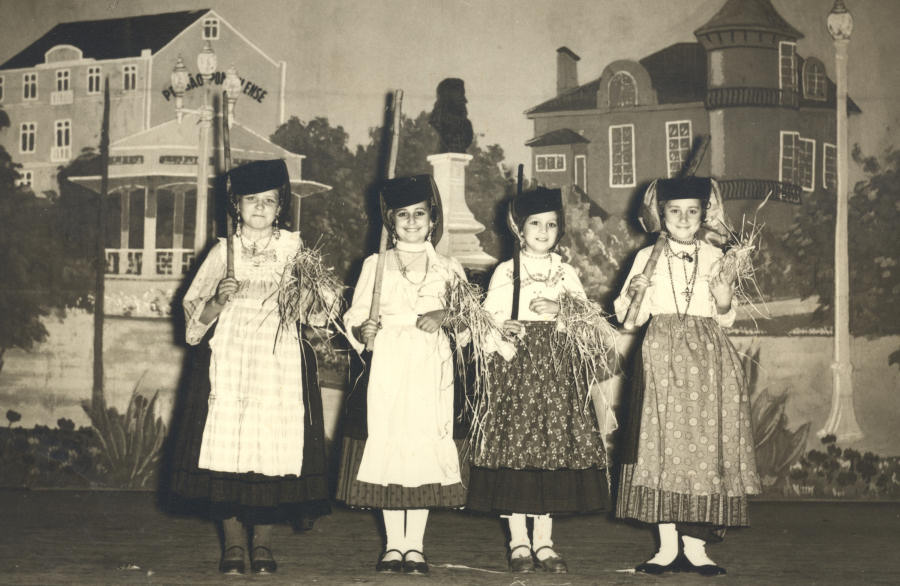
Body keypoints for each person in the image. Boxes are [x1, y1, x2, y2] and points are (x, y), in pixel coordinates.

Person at [168, 160, 330, 575]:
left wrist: (305, 295)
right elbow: (194, 319)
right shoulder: (224, 252)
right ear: (236, 205)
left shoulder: (293, 250)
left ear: (280, 207)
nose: (260, 208)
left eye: (269, 201)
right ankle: (234, 544)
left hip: (277, 363)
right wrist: (218, 300)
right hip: (231, 360)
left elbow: (317, 311)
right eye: (251, 200)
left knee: (271, 449)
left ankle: (263, 544)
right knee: (229, 449)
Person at [614, 176, 760, 576]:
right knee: (660, 447)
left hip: (709, 360)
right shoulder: (647, 257)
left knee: (703, 450)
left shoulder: (716, 256)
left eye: (692, 211)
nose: (683, 218)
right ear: (660, 215)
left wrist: (724, 297)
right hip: (661, 359)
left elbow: (725, 318)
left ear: (703, 215)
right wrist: (634, 291)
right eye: (674, 211)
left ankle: (696, 548)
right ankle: (665, 548)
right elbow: (630, 319)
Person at [466, 187, 611, 574]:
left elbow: (586, 320)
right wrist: (504, 328)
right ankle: (518, 542)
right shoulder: (506, 271)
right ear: (518, 228)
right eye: (535, 224)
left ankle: (544, 542)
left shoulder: (565, 272)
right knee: (516, 452)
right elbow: (487, 321)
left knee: (551, 451)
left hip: (556, 373)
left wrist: (560, 309)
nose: (544, 232)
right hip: (516, 372)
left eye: (551, 224)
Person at [336, 174, 467, 576]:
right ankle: (394, 544)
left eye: (420, 214)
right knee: (391, 443)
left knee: (423, 446)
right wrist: (363, 330)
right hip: (389, 365)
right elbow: (355, 314)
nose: (412, 222)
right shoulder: (376, 264)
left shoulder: (448, 267)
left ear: (432, 219)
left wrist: (444, 315)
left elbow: (468, 321)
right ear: (390, 221)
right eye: (403, 215)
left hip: (430, 365)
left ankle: (416, 546)